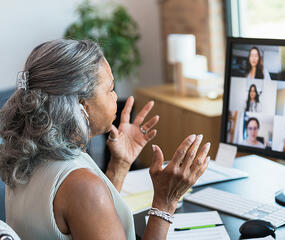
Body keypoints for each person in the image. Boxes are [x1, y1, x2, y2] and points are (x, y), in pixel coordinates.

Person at [0, 39, 211, 239]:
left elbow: (86, 216)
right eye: (109, 89)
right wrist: (166, 201)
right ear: (81, 105)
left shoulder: (27, 159)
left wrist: (119, 164)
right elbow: (86, 198)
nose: (114, 95)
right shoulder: (81, 186)